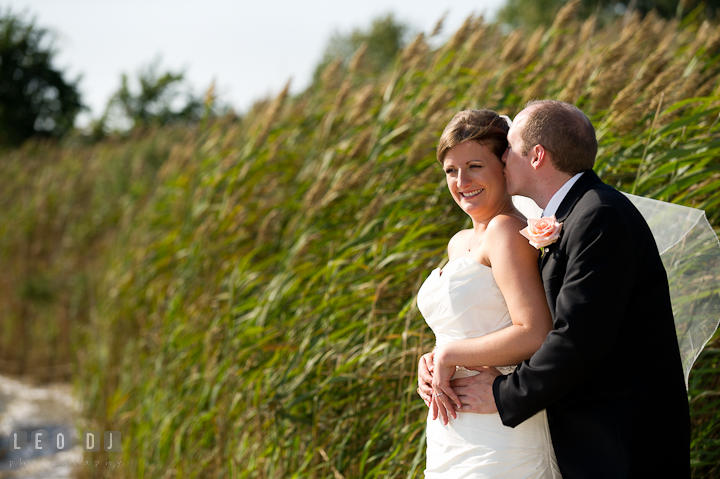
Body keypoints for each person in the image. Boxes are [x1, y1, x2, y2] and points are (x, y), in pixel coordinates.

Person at [420, 100, 691, 478]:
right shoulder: (570, 216)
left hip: (619, 440)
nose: (503, 161)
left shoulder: (599, 215)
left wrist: (503, 393)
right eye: (450, 170)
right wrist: (435, 360)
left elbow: (574, 339)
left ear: (536, 156)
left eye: (508, 151)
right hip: (567, 434)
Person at [415, 109, 561, 477]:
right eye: (451, 170)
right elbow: (467, 325)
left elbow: (534, 331)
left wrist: (450, 354)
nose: (462, 181)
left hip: (498, 429)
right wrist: (432, 362)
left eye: (475, 166)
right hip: (451, 425)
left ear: (505, 164)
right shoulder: (459, 241)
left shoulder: (506, 232)